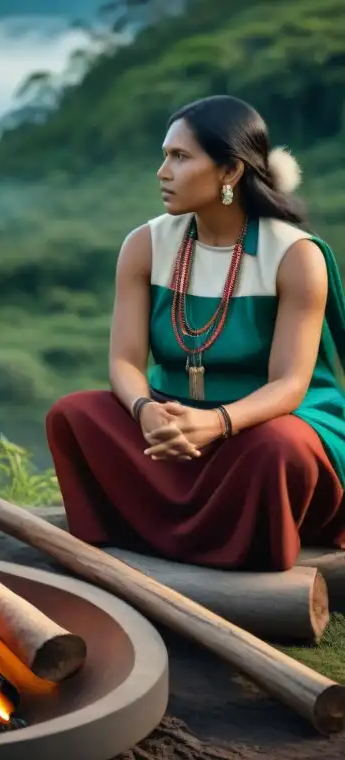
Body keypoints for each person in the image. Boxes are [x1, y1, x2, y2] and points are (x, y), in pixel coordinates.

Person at [46, 95, 345, 572]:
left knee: (277, 449)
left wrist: (217, 422)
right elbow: (125, 361)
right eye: (165, 155)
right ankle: (176, 538)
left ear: (230, 171)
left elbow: (290, 384)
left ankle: (217, 547)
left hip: (258, 428)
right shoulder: (146, 243)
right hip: (171, 423)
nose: (162, 171)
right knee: (73, 414)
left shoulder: (294, 255)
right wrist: (144, 410)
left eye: (180, 157)